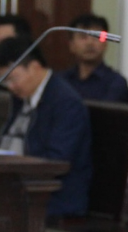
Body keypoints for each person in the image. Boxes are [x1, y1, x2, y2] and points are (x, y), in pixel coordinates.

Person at [0, 36, 92, 218]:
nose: (11, 87)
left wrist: (14, 164)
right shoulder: (22, 97)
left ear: (34, 67)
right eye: (5, 83)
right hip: (16, 187)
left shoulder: (66, 103)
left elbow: (56, 162)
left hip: (53, 197)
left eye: (13, 79)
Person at [59, 13, 128, 102]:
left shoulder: (116, 82)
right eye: (83, 37)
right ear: (71, 45)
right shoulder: (61, 80)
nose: (90, 43)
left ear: (105, 44)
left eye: (96, 37)